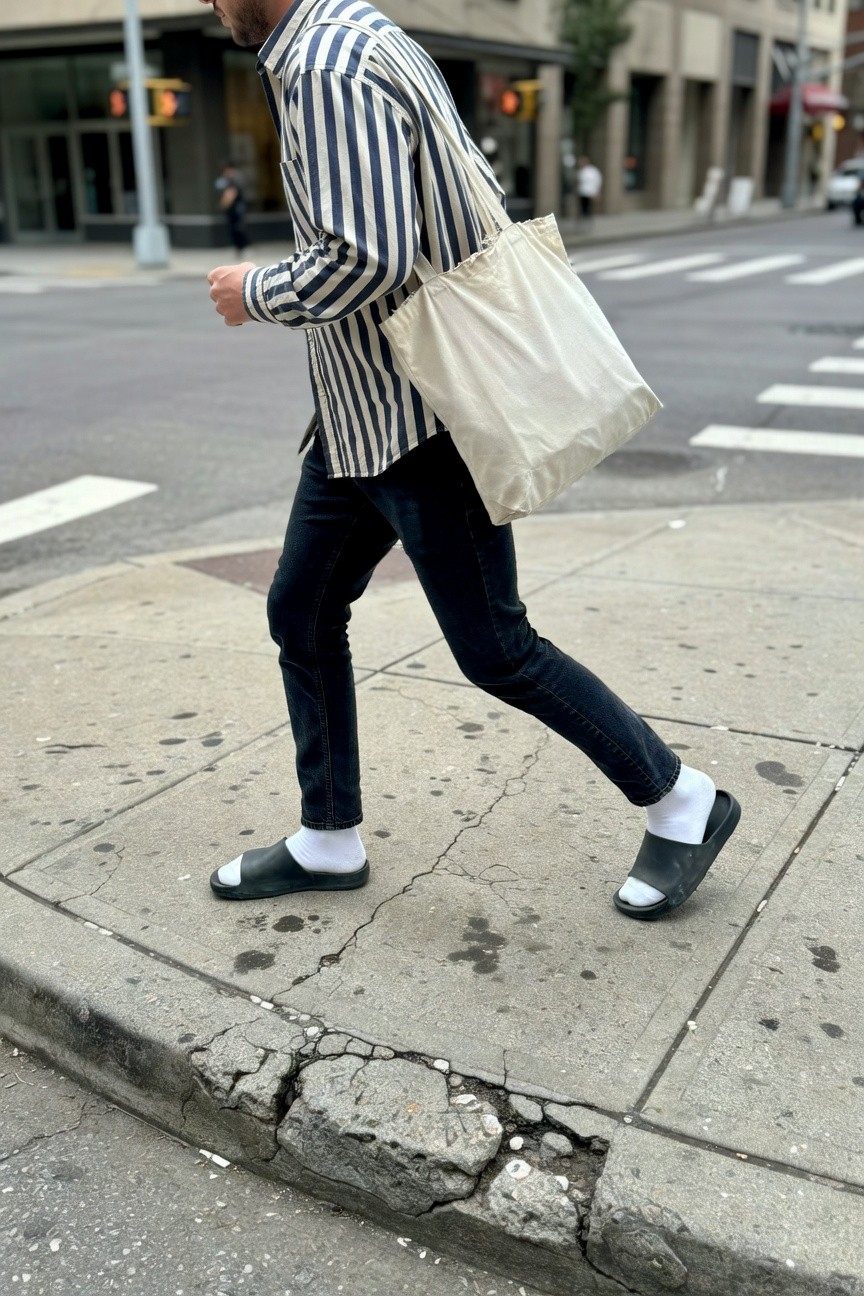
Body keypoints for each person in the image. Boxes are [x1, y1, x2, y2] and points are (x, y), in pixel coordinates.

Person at [203, 0, 740, 921]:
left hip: (424, 420)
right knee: (302, 609)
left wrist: (251, 289)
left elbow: (363, 260)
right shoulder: (362, 36)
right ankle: (328, 838)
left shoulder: (327, 68)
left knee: (497, 649)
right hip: (359, 419)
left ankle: (683, 801)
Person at [215, 162, 249, 254]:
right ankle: (240, 247)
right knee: (237, 227)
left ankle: (242, 247)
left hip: (236, 207)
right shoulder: (232, 178)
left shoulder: (235, 178)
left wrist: (223, 204)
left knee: (238, 227)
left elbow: (231, 193)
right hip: (235, 207)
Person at [577, 156, 603, 221]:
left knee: (589, 207)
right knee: (583, 206)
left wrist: (597, 192)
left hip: (591, 192)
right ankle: (584, 218)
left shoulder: (593, 171)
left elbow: (598, 181)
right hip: (582, 192)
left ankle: (588, 218)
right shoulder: (581, 171)